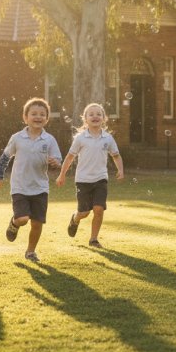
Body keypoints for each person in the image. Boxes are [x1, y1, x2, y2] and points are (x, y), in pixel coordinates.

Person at [0, 97, 62, 262]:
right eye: (34, 114)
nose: (38, 117)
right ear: (25, 117)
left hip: (40, 187)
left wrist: (55, 163)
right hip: (20, 187)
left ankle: (30, 252)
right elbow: (5, 157)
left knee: (37, 223)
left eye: (42, 114)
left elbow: (58, 161)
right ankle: (14, 223)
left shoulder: (49, 140)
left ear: (46, 118)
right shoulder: (17, 138)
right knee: (23, 219)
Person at [55, 102, 124, 248]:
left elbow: (116, 156)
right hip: (83, 180)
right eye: (91, 114)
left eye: (99, 114)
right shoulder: (80, 138)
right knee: (84, 212)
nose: (95, 116)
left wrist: (120, 170)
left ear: (104, 118)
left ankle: (93, 239)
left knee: (99, 209)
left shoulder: (108, 138)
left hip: (101, 179)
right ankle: (75, 218)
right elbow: (69, 157)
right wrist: (62, 175)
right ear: (85, 119)